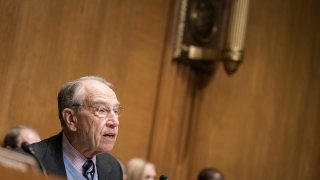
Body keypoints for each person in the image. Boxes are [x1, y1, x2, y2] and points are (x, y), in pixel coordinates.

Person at [20, 76, 123, 179]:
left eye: (116, 111)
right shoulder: (28, 162)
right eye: (101, 110)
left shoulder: (113, 168)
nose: (115, 122)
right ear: (71, 119)